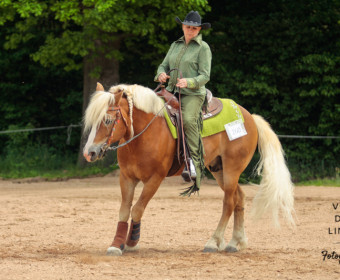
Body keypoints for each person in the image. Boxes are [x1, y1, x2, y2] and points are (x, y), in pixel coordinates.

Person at [154, 11, 212, 194]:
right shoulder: (175, 44)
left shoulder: (203, 48)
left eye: (194, 28)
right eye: (188, 27)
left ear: (199, 29)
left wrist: (189, 82)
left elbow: (205, 75)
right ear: (182, 27)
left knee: (188, 120)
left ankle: (195, 163)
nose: (190, 30)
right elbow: (163, 65)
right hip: (171, 91)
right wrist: (160, 74)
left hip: (192, 94)